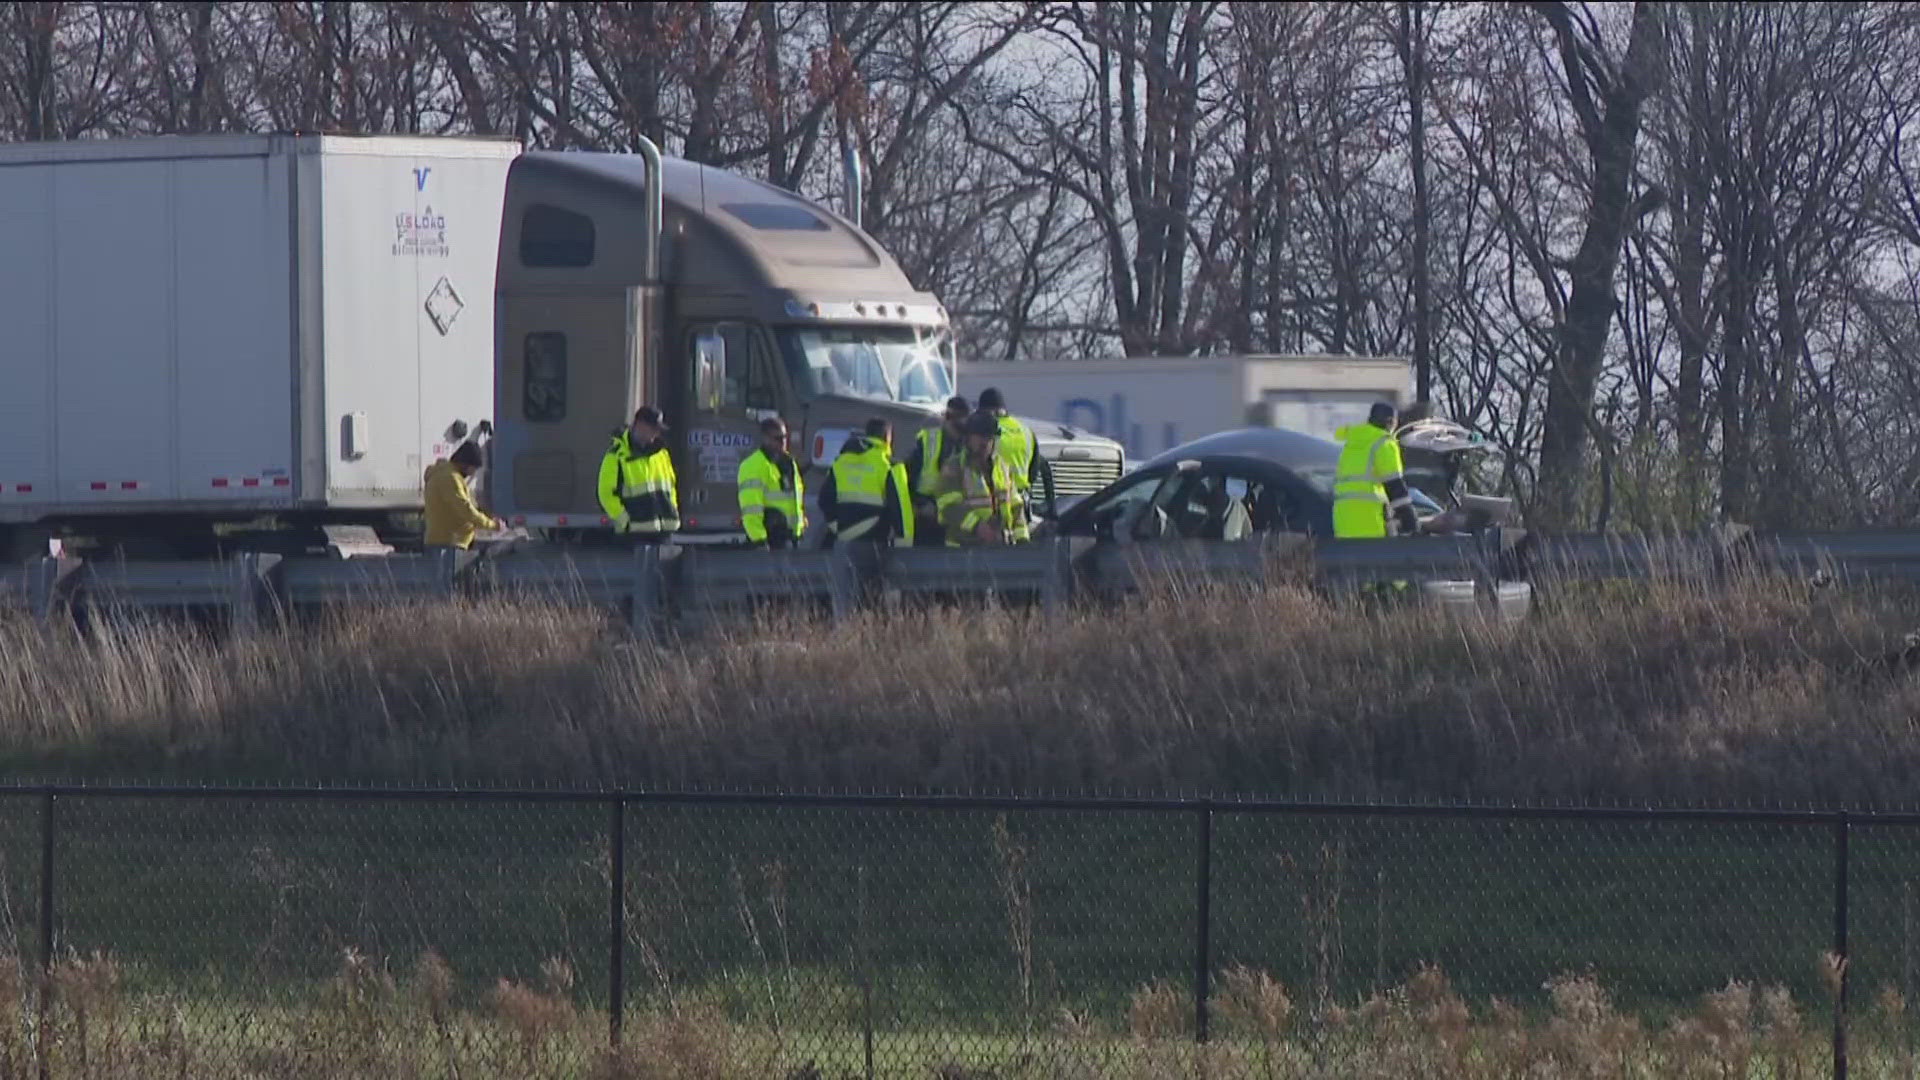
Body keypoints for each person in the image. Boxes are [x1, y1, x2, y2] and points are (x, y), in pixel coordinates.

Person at [935, 411, 1029, 547]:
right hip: (963, 550)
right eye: (979, 436)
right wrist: (977, 526)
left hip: (1000, 549)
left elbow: (1016, 506)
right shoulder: (954, 467)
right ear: (968, 438)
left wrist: (1022, 540)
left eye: (989, 437)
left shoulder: (1003, 468)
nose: (984, 442)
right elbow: (948, 507)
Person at [818, 418, 914, 547]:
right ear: (887, 438)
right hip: (873, 542)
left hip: (843, 540)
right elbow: (900, 510)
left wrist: (838, 527)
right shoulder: (891, 466)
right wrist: (904, 547)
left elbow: (824, 500)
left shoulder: (840, 463)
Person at [1332, 402, 1419, 539]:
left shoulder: (1352, 443)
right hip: (1370, 522)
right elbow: (1395, 488)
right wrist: (1411, 521)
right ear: (1390, 422)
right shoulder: (1383, 443)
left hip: (1342, 522)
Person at [598, 406, 680, 544]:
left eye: (658, 430)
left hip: (664, 532)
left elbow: (671, 487)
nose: (656, 433)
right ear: (640, 426)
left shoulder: (661, 454)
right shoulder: (617, 455)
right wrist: (625, 520)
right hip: (635, 534)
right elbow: (605, 493)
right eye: (654, 429)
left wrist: (672, 511)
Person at [900, 395, 970, 547]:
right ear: (947, 418)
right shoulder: (928, 440)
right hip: (927, 513)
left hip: (955, 515)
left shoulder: (969, 445)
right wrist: (919, 504)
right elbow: (908, 476)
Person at [975, 387, 1053, 515]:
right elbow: (1034, 470)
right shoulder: (1026, 431)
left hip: (991, 501)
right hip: (1020, 503)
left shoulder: (983, 431)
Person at [737, 416, 806, 550]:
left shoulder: (789, 463)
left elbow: (796, 500)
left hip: (789, 538)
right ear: (765, 439)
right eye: (777, 438)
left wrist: (798, 531)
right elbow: (751, 508)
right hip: (768, 538)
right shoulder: (753, 465)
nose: (783, 442)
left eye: (785, 437)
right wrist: (759, 540)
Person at [423, 441, 501, 550]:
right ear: (465, 463)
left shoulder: (444, 474)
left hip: (445, 541)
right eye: (473, 468)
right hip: (449, 543)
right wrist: (492, 525)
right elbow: (465, 509)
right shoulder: (450, 478)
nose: (472, 473)